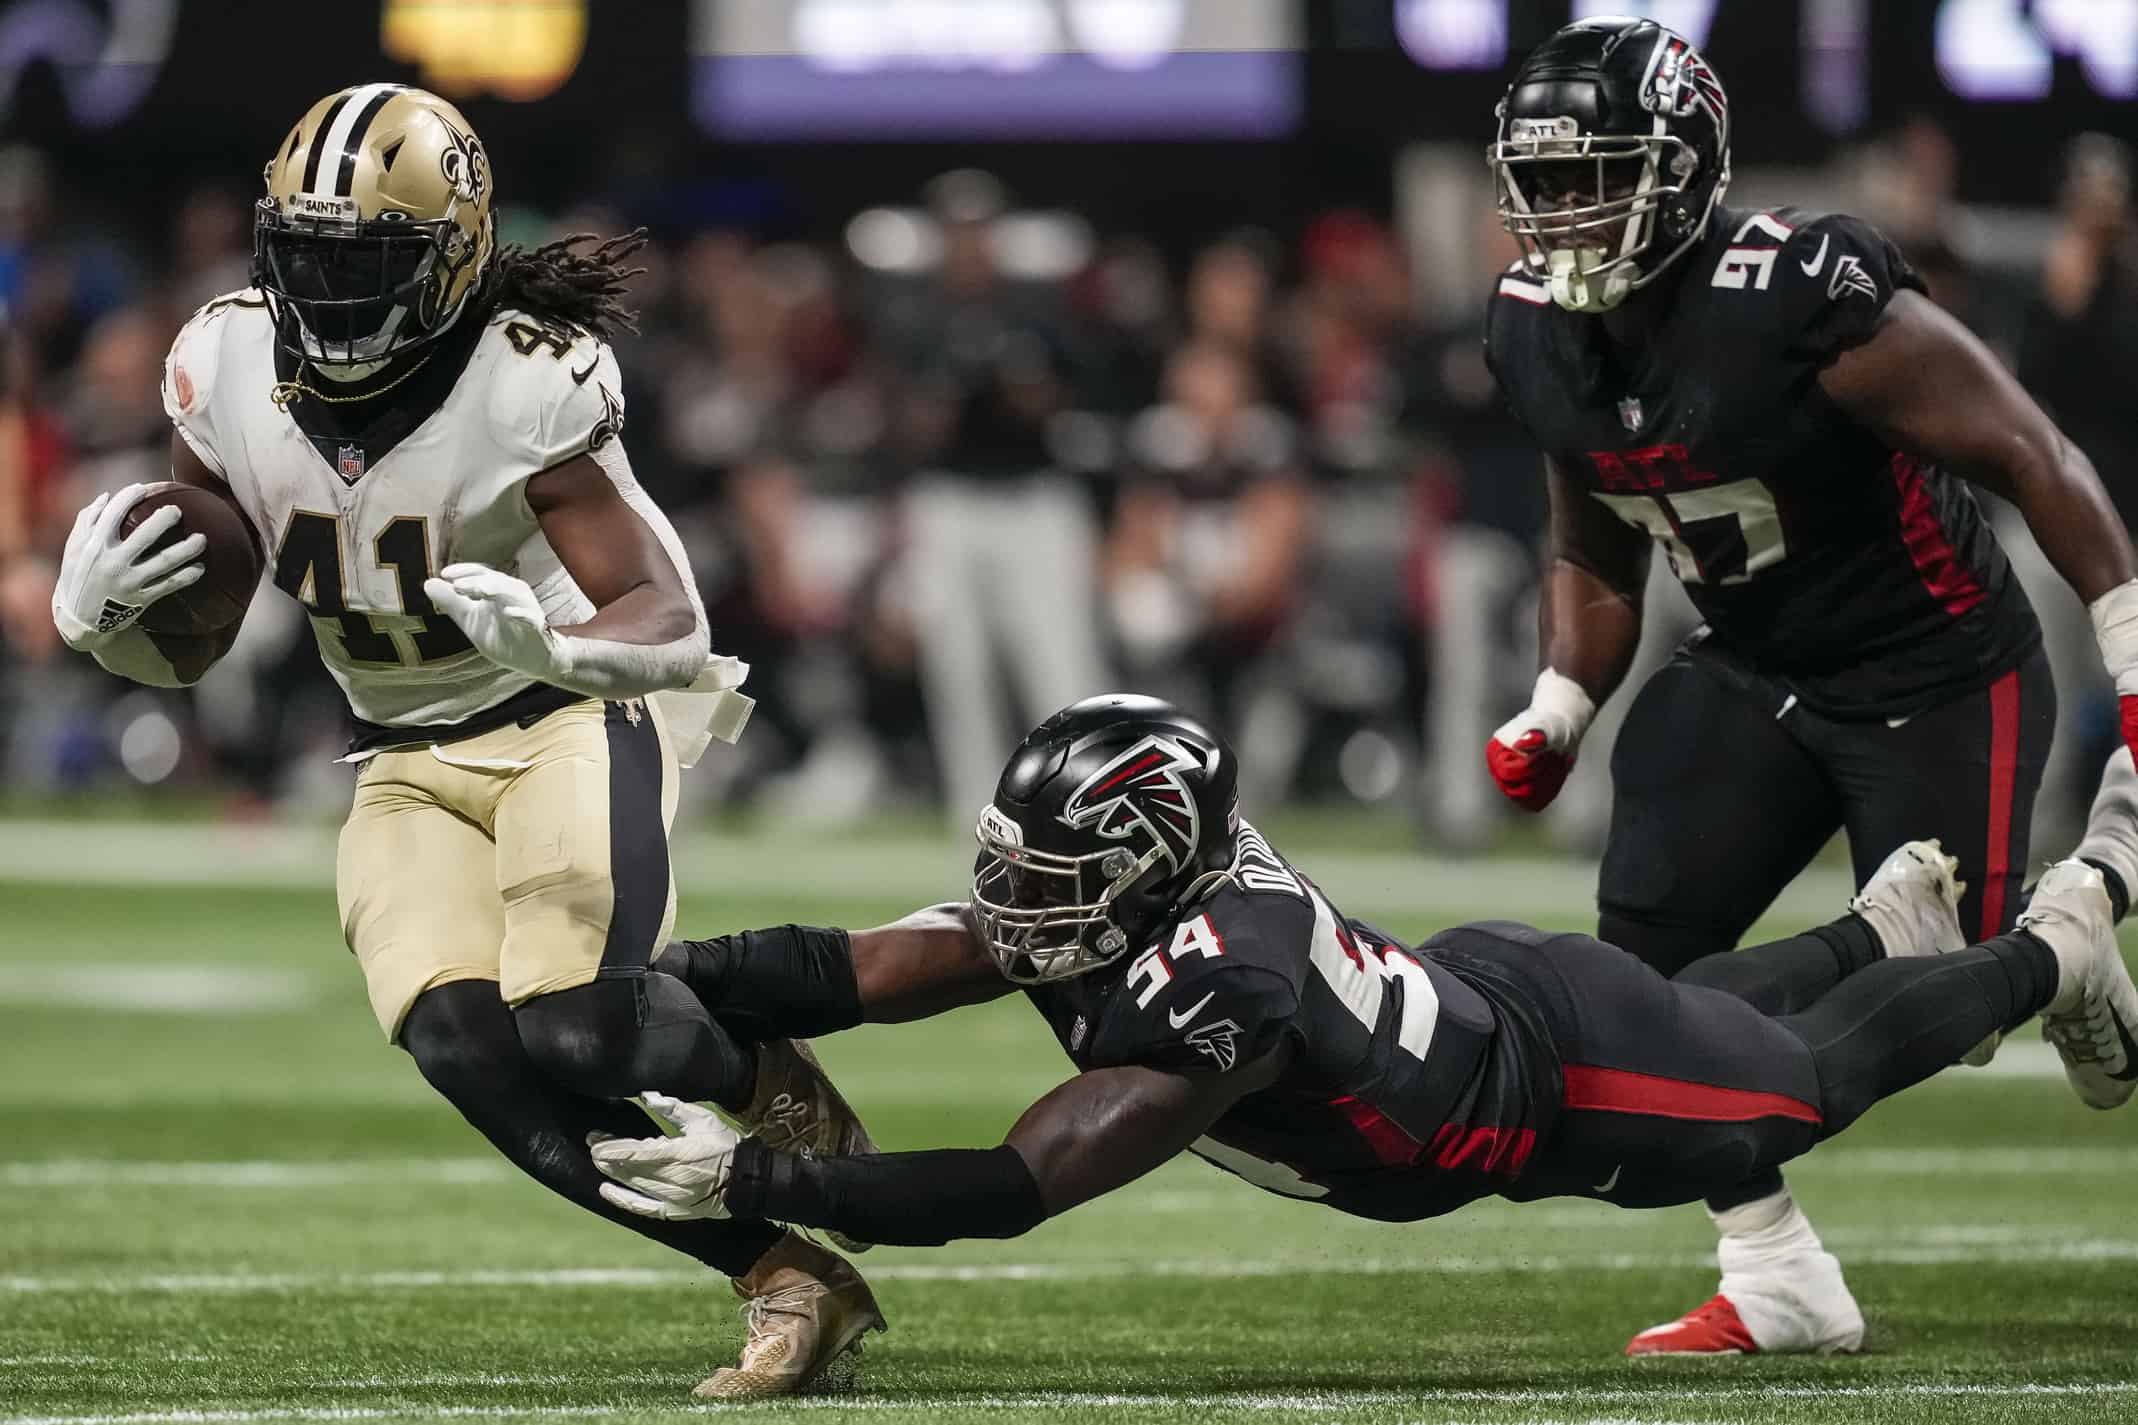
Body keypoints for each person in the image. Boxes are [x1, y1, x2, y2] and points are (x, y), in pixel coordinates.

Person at [45, 84, 881, 1399]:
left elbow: (670, 608)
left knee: (584, 1030)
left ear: (453, 263)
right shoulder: (218, 363)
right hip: (397, 750)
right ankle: (785, 1273)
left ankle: (752, 1064)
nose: (325, 292)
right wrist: (106, 619)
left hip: (563, 712)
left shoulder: (524, 374)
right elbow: (204, 602)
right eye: (303, 256)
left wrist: (566, 648)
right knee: (463, 1046)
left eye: (360, 262)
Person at [589, 696, 2138, 1368]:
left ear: (1141, 874)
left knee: (1779, 1094)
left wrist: (767, 1189)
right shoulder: (1130, 898)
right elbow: (870, 963)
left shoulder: (1219, 986)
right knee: (1711, 1026)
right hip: (1478, 1000)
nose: (1007, 902)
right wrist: (673, 968)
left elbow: (1015, 1183)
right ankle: (1878, 933)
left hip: (1547, 1080)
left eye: (1048, 877)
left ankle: (2049, 943)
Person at [1476, 18, 2138, 1353]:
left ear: (1684, 168)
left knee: (1929, 988)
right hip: (1752, 664)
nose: (1563, 214)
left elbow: (2031, 453)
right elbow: (1590, 539)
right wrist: (1560, 698)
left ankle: (2059, 956)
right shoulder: (1536, 328)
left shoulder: (1799, 291)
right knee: (1633, 991)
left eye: (1594, 174)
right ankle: (1775, 1268)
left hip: (1934, 667)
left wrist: (2127, 641)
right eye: (1541, 183)